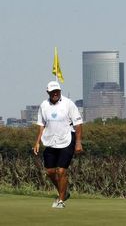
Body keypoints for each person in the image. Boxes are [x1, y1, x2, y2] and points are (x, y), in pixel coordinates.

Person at [33, 81, 83, 209]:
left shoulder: (68, 104)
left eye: (57, 91)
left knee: (61, 171)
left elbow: (78, 124)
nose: (55, 93)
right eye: (53, 92)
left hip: (67, 140)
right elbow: (41, 125)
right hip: (50, 141)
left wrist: (78, 143)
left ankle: (61, 200)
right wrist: (37, 142)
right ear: (48, 92)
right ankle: (64, 191)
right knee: (50, 172)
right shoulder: (44, 106)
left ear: (60, 91)